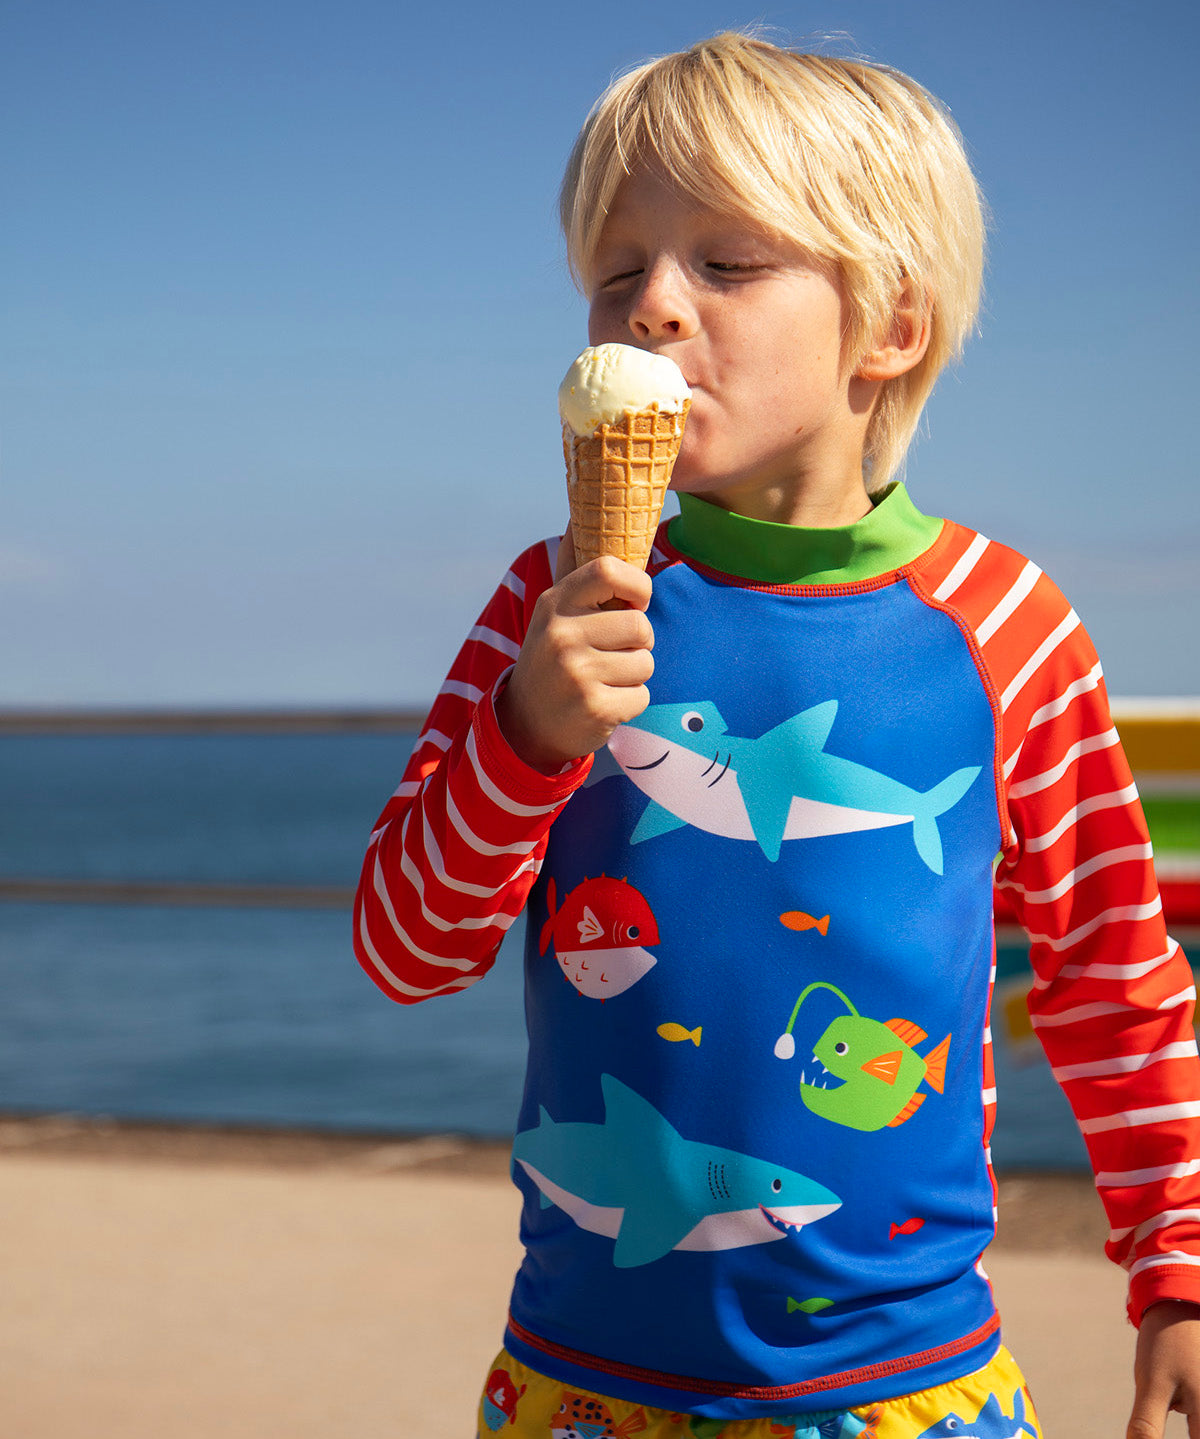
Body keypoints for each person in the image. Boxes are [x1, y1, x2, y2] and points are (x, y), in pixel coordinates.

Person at [353, 33, 1200, 1438]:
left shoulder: (1006, 624)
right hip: (584, 1386)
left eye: (726, 266)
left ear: (890, 328)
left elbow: (1114, 975)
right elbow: (403, 950)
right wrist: (524, 736)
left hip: (906, 1388)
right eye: (616, 275)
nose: (652, 311)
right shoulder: (548, 601)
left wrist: (1179, 1269)